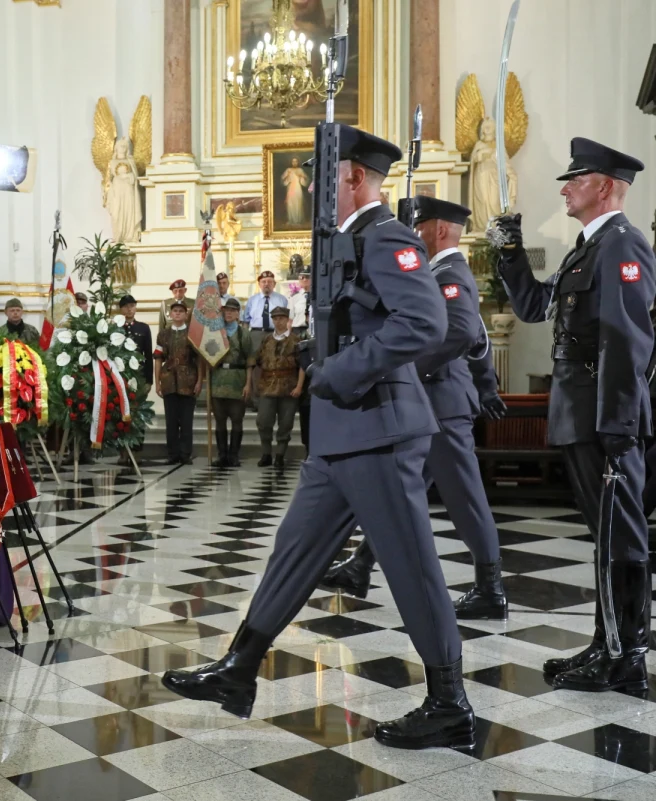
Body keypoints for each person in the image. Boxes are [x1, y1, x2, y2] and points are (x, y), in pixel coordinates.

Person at [163, 126, 475, 752]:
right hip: (342, 434)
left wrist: (346, 367)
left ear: (354, 176)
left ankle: (449, 703)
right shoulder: (346, 243)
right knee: (294, 551)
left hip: (379, 429)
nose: (310, 188)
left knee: (413, 569)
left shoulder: (387, 237)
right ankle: (239, 670)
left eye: (322, 175)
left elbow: (427, 321)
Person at [490, 137, 654, 693]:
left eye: (575, 178)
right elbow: (538, 306)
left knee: (620, 537)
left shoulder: (622, 247)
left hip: (604, 418)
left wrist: (617, 423)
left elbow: (626, 340)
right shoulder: (587, 247)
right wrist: (511, 254)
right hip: (582, 412)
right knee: (604, 534)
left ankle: (625, 655)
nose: (565, 187)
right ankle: (605, 643)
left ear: (605, 186)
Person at [320, 197, 508, 619]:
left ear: (439, 230)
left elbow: (460, 331)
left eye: (419, 226)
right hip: (430, 401)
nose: (414, 233)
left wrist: (402, 367)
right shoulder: (438, 271)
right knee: (398, 491)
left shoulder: (450, 273)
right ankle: (360, 564)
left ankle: (490, 588)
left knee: (465, 497)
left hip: (441, 403)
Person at [254, 307, 303, 469]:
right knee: (263, 421)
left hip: (288, 386)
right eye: (275, 318)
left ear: (287, 320)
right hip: (268, 385)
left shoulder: (296, 340)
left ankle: (280, 455)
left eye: (282, 318)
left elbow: (302, 365)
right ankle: (266, 453)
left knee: (285, 423)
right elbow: (259, 361)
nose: (278, 321)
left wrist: (299, 386)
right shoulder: (267, 339)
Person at [209, 297, 255, 467]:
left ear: (237, 314)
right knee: (219, 420)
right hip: (219, 379)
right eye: (226, 310)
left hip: (237, 380)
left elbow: (250, 361)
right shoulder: (216, 333)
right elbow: (209, 355)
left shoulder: (244, 334)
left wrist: (248, 384)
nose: (228, 313)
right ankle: (222, 455)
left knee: (237, 419)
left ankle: (234, 455)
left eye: (232, 311)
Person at [154, 301, 201, 465]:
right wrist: (157, 382)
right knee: (171, 420)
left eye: (181, 311)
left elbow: (199, 359)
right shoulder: (163, 334)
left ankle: (185, 453)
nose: (178, 313)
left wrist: (199, 381)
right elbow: (158, 359)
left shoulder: (192, 334)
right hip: (169, 381)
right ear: (170, 314)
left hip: (188, 379)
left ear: (186, 314)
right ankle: (172, 453)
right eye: (175, 311)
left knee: (186, 420)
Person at [119, 294, 153, 465]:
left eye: (132, 306)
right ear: (121, 309)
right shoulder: (115, 329)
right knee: (121, 414)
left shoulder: (144, 328)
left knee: (138, 416)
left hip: (139, 379)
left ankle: (137, 450)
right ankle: (122, 451)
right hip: (121, 378)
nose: (129, 309)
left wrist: (149, 381)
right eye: (126, 306)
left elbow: (148, 355)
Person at [242, 270, 289, 349]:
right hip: (256, 334)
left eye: (270, 282)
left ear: (274, 284)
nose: (266, 284)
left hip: (276, 334)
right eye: (264, 282)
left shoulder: (282, 299)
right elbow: (245, 321)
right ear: (259, 284)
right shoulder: (252, 300)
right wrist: (245, 338)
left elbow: (288, 320)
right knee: (254, 358)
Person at [289, 269, 311, 335]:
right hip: (297, 331)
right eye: (302, 277)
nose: (304, 280)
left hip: (313, 330)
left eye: (308, 277)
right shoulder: (294, 297)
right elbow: (290, 319)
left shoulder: (319, 296)